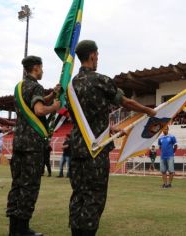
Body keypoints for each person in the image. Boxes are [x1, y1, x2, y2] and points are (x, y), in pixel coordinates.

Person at [67, 40, 156, 235]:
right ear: (92, 55)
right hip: (95, 150)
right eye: (97, 55)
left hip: (76, 149)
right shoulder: (100, 80)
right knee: (94, 197)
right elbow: (125, 101)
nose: (98, 58)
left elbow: (82, 118)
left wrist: (111, 128)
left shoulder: (71, 85)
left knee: (79, 195)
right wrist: (148, 110)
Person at [6, 55, 61, 236]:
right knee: (29, 187)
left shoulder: (19, 87)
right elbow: (38, 110)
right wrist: (54, 106)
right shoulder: (35, 85)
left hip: (19, 142)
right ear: (36, 68)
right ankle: (22, 229)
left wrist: (51, 94)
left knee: (18, 185)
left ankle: (14, 229)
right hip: (32, 145)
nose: (43, 71)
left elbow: (33, 103)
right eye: (41, 68)